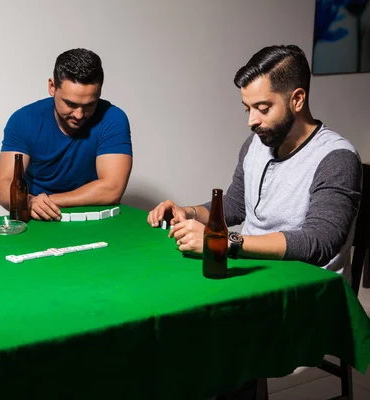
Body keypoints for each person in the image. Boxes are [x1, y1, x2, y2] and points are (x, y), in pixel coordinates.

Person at [147, 45, 362, 281]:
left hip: (308, 289)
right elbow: (236, 205)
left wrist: (224, 242)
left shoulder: (337, 158)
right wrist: (187, 212)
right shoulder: (256, 143)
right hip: (254, 273)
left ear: (298, 100)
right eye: (247, 109)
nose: (252, 120)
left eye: (263, 108)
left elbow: (319, 243)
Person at [0, 48, 133, 221]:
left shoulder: (113, 119)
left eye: (90, 104)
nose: (79, 114)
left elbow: (112, 189)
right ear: (52, 87)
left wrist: (47, 202)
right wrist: (29, 202)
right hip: (37, 219)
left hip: (93, 218)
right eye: (70, 103)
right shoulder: (24, 120)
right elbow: (3, 186)